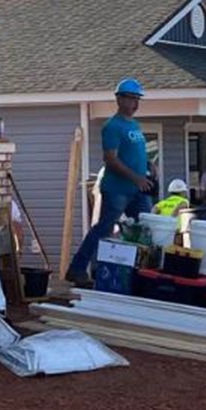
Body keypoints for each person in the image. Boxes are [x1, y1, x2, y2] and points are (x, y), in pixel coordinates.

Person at [65, 78, 155, 287]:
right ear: (119, 99)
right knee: (104, 227)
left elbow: (136, 152)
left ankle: (143, 272)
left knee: (147, 227)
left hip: (137, 188)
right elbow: (111, 159)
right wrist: (136, 177)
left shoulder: (135, 124)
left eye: (137, 99)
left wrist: (149, 164)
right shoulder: (112, 126)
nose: (135, 104)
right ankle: (77, 269)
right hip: (118, 189)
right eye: (131, 99)